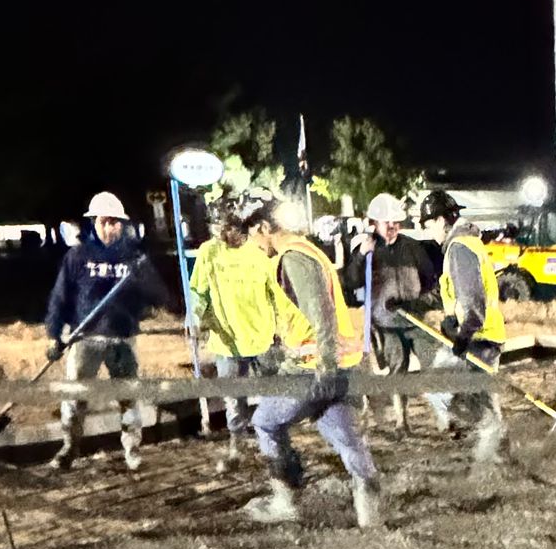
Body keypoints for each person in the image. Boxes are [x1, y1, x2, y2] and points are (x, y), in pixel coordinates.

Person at [242, 196, 384, 529]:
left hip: (315, 367)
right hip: (343, 365)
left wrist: (325, 366)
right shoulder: (310, 250)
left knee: (266, 422)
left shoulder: (292, 257)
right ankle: (370, 515)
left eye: (252, 234)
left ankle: (285, 500)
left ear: (263, 227)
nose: (253, 242)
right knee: (347, 440)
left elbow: (321, 314)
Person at [42, 191, 173, 472]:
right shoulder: (78, 257)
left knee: (127, 397)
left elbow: (159, 295)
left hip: (122, 339)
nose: (110, 228)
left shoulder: (134, 258)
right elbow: (59, 298)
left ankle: (132, 449)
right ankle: (69, 447)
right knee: (75, 398)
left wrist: (142, 281)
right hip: (84, 338)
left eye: (115, 222)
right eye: (104, 221)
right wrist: (54, 334)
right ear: (94, 223)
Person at [186, 207, 280, 470]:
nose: (224, 234)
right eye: (219, 228)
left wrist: (281, 327)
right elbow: (198, 292)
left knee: (273, 395)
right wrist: (195, 319)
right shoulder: (209, 252)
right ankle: (235, 448)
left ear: (240, 228)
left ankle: (275, 448)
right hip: (226, 341)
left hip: (262, 338)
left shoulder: (259, 253)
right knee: (233, 398)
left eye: (230, 228)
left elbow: (275, 292)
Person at [422, 191, 507, 465]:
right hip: (483, 335)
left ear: (440, 220)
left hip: (478, 339)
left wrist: (463, 334)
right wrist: (446, 318)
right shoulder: (464, 244)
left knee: (437, 387)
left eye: (428, 223)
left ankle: (491, 438)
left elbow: (472, 298)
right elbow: (453, 293)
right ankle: (499, 452)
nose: (427, 230)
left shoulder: (459, 248)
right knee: (477, 396)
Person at [357, 192, 438, 430]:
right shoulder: (367, 251)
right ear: (375, 223)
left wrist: (417, 303)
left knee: (434, 365)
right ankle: (402, 422)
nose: (392, 226)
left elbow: (431, 283)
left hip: (415, 321)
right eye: (386, 222)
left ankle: (445, 417)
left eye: (396, 222)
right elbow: (351, 281)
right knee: (397, 372)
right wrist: (361, 257)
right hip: (387, 324)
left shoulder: (413, 248)